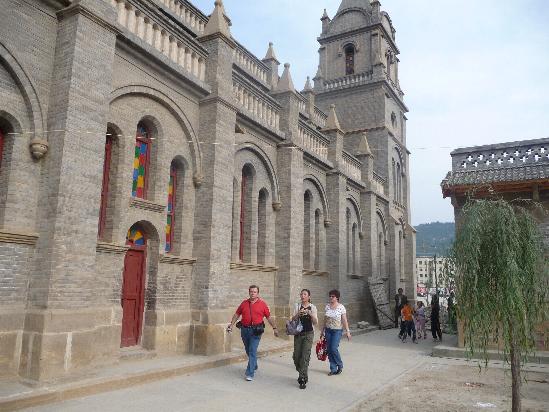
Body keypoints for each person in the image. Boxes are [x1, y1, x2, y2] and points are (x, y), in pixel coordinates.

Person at [227, 285, 279, 381]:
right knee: (248, 349)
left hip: (256, 331)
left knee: (252, 350)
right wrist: (231, 324)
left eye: (254, 292)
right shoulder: (244, 303)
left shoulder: (262, 304)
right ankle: (254, 364)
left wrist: (274, 328)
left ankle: (250, 373)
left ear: (257, 293)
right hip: (245, 330)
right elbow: (237, 314)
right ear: (249, 292)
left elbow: (268, 317)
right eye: (251, 291)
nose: (252, 293)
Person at [291, 289, 318, 389]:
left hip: (309, 334)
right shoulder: (297, 306)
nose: (302, 296)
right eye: (301, 294)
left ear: (309, 297)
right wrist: (298, 313)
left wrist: (310, 313)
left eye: (305, 294)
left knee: (305, 356)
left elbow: (315, 322)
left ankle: (302, 378)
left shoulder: (313, 307)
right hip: (298, 334)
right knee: (296, 356)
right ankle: (302, 370)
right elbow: (293, 319)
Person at [320, 289, 351, 376]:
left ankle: (340, 365)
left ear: (337, 297)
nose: (331, 298)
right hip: (328, 330)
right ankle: (333, 369)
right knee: (329, 350)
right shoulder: (327, 307)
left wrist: (348, 331)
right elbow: (325, 320)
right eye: (330, 296)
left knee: (333, 348)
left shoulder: (341, 307)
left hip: (337, 331)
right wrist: (322, 331)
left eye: (332, 296)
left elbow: (344, 320)